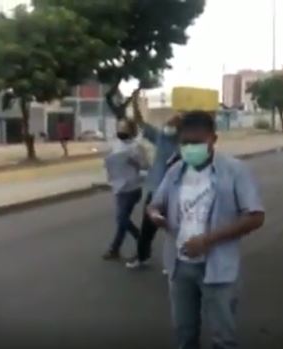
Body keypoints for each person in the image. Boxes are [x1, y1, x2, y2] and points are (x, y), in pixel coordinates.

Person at [147, 111, 265, 349]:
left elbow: (255, 216)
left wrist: (208, 240)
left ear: (213, 139)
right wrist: (155, 216)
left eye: (197, 142)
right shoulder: (175, 170)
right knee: (184, 333)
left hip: (218, 269)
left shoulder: (235, 171)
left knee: (223, 338)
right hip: (179, 268)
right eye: (185, 143)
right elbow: (154, 204)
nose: (190, 148)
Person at [126, 91, 181, 269]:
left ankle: (175, 260)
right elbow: (140, 122)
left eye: (173, 123)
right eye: (169, 122)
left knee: (175, 229)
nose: (168, 125)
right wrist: (134, 103)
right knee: (148, 228)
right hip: (155, 191)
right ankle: (142, 256)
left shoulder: (185, 144)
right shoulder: (160, 137)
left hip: (175, 193)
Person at [102, 119, 148, 260]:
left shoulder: (137, 147)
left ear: (131, 130)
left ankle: (142, 240)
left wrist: (135, 163)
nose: (121, 131)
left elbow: (146, 166)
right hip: (119, 187)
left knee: (121, 219)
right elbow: (109, 164)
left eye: (124, 128)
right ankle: (115, 249)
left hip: (132, 188)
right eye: (119, 127)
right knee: (123, 220)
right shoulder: (115, 145)